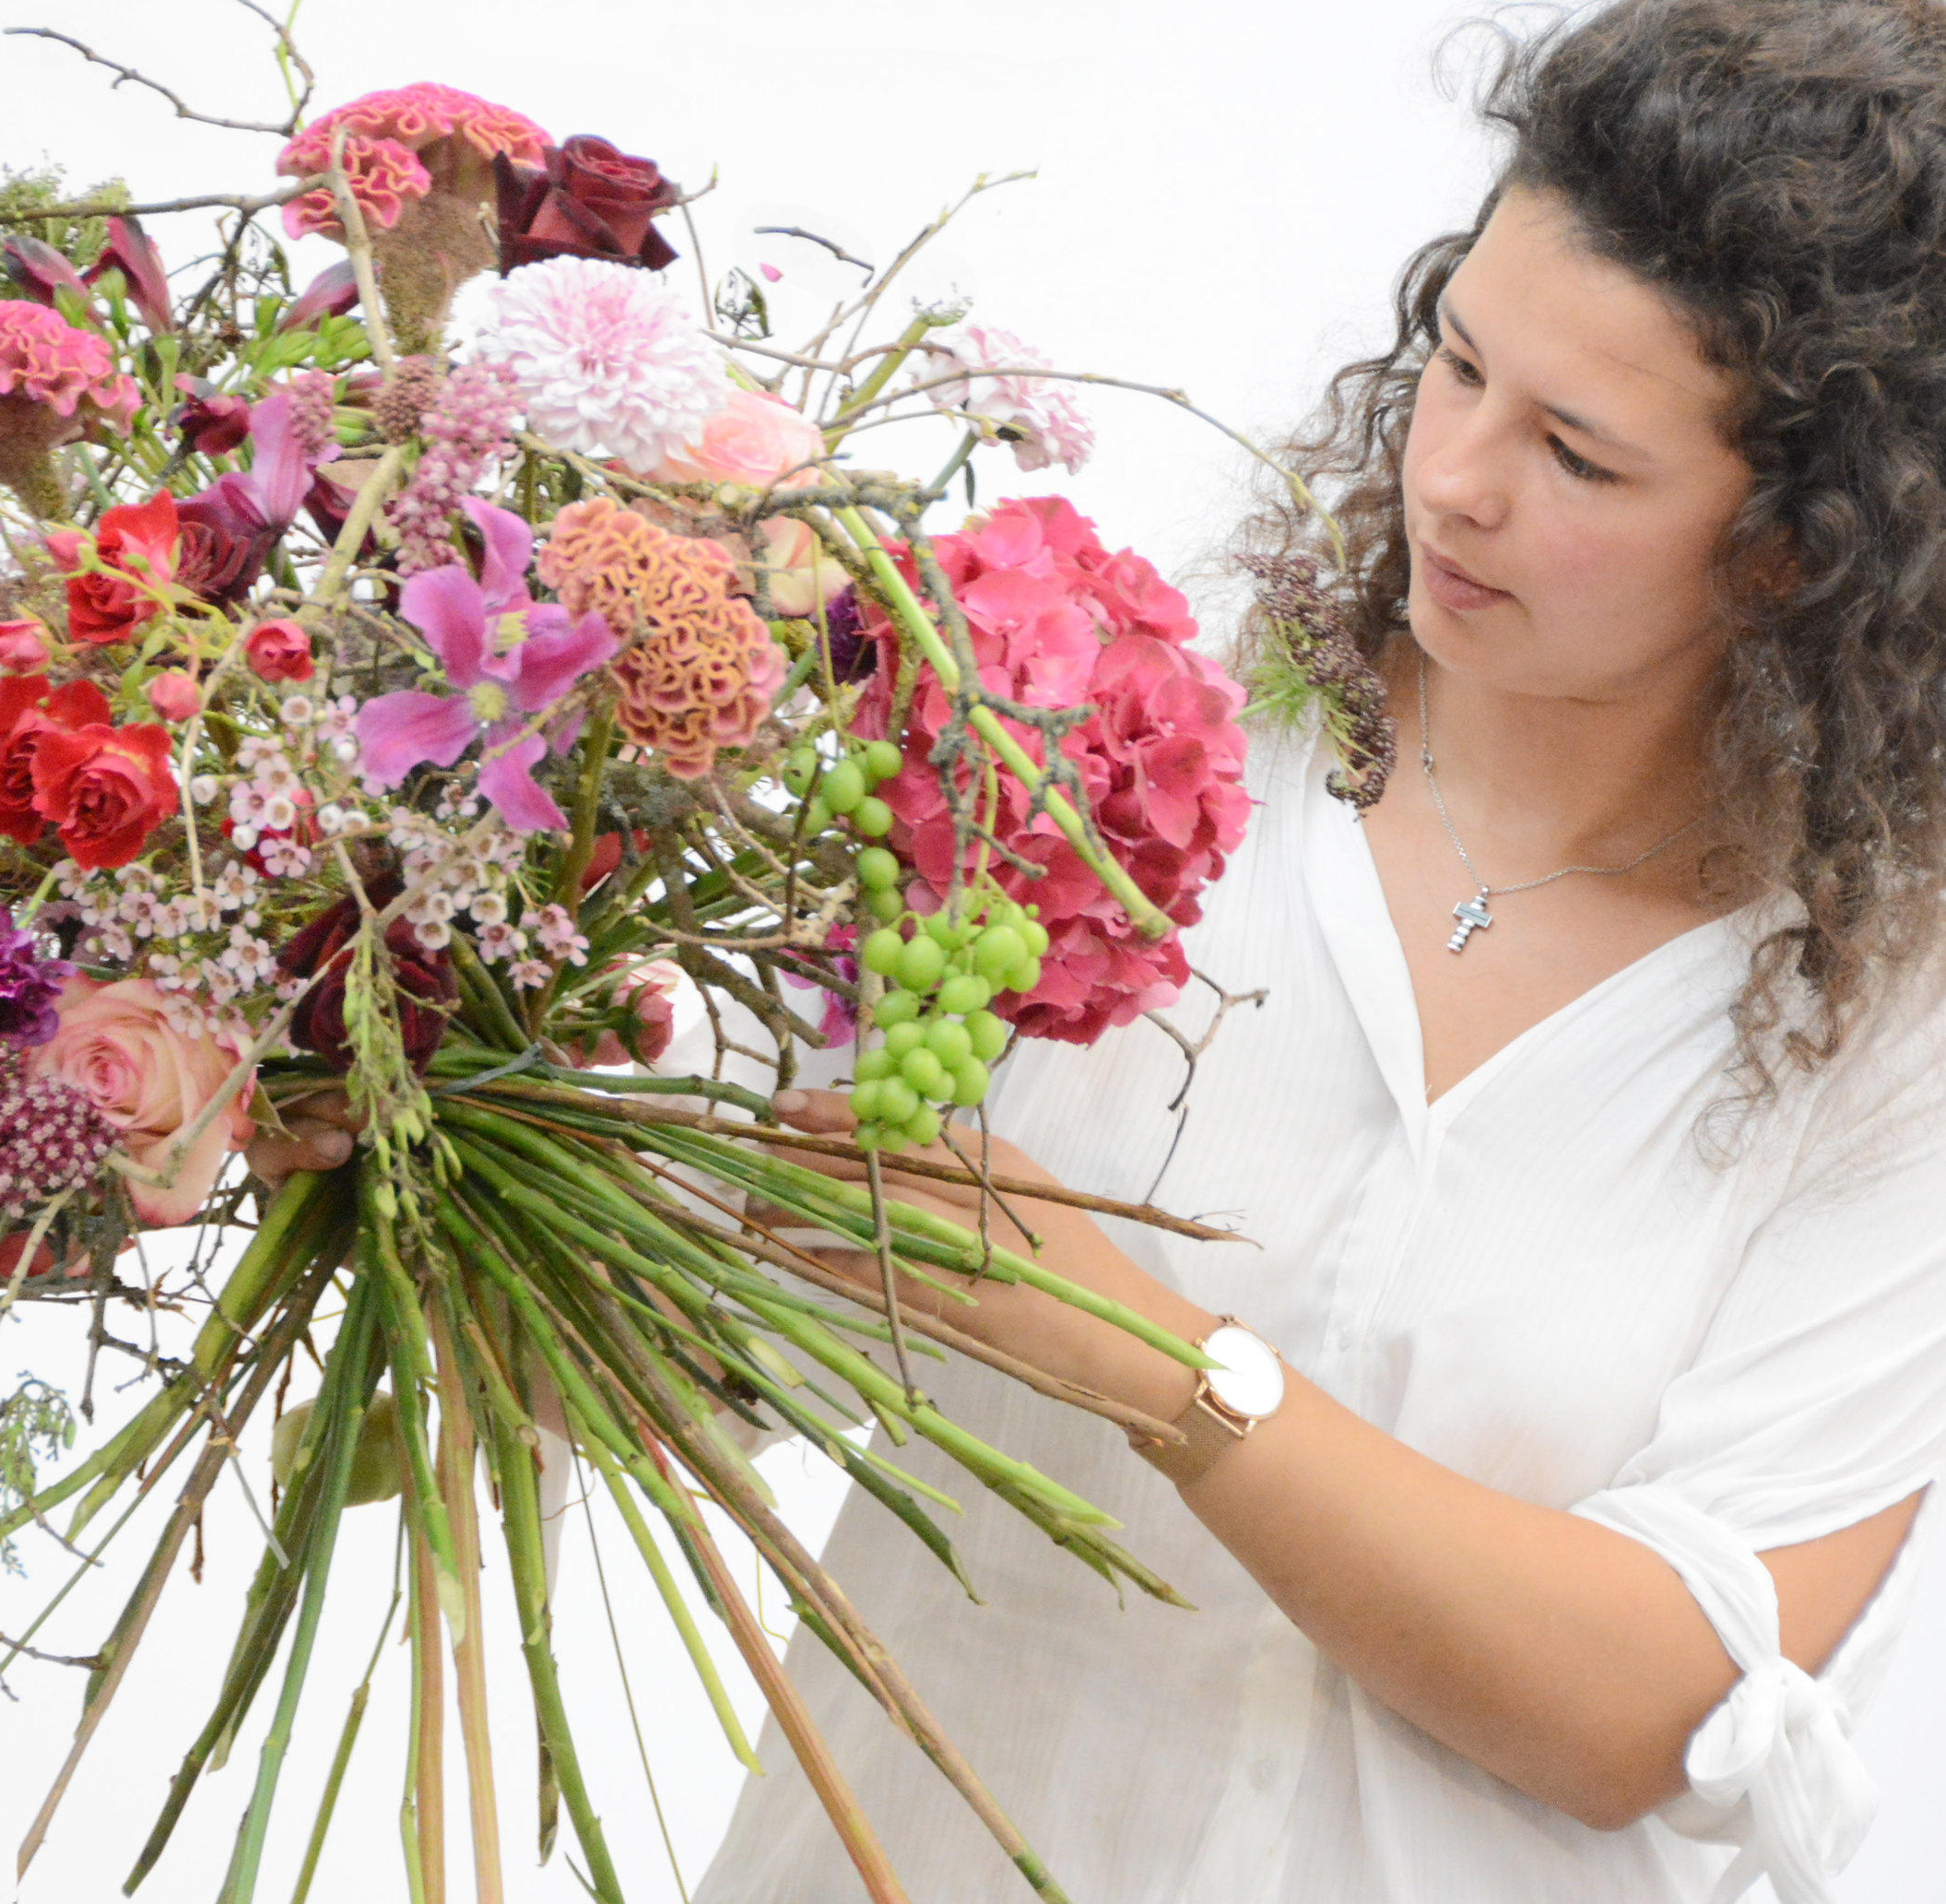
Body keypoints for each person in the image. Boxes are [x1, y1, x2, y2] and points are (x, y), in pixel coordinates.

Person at [690, 3, 1946, 1899]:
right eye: (1452, 362)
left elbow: (1649, 1697)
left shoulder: (1882, 1020)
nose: (1451, 477)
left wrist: (1133, 1342)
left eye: (1577, 460)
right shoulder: (1119, 723)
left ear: (1800, 545)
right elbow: (723, 1265)